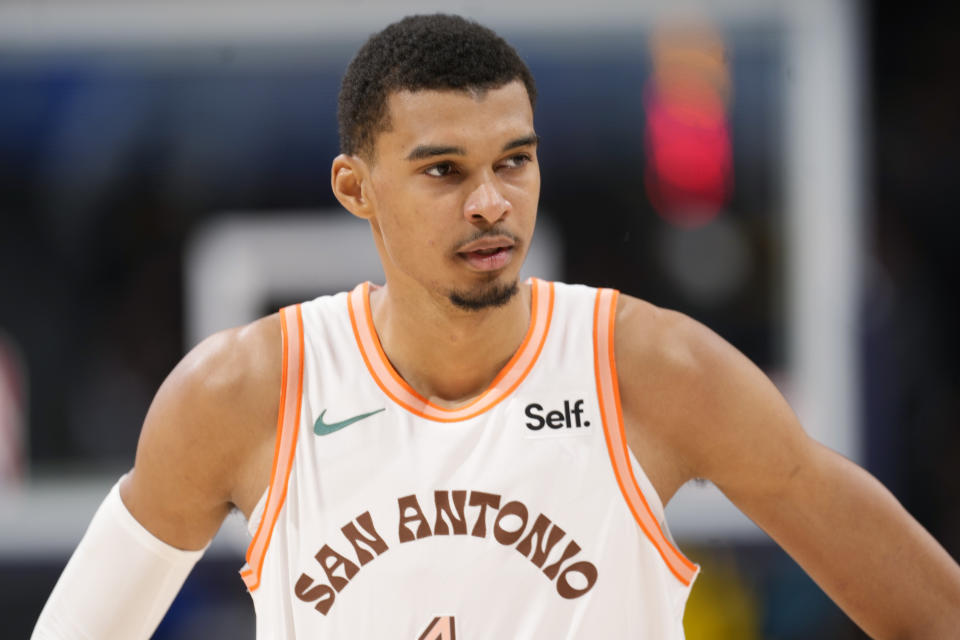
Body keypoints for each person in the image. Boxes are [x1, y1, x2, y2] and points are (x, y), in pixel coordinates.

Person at [32, 13, 960, 640]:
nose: (490, 203)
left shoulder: (653, 369)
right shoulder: (241, 393)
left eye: (514, 161)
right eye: (444, 171)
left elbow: (928, 612)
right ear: (356, 188)